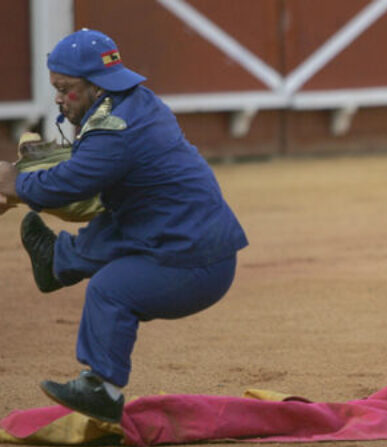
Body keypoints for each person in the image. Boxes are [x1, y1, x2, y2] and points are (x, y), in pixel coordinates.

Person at [0, 29, 248, 423]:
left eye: (66, 89)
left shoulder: (114, 132)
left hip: (198, 263)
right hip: (187, 234)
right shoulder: (137, 102)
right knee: (117, 222)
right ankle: (56, 262)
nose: (60, 99)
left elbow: (70, 184)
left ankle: (103, 390)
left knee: (110, 290)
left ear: (95, 85)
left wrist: (13, 183)